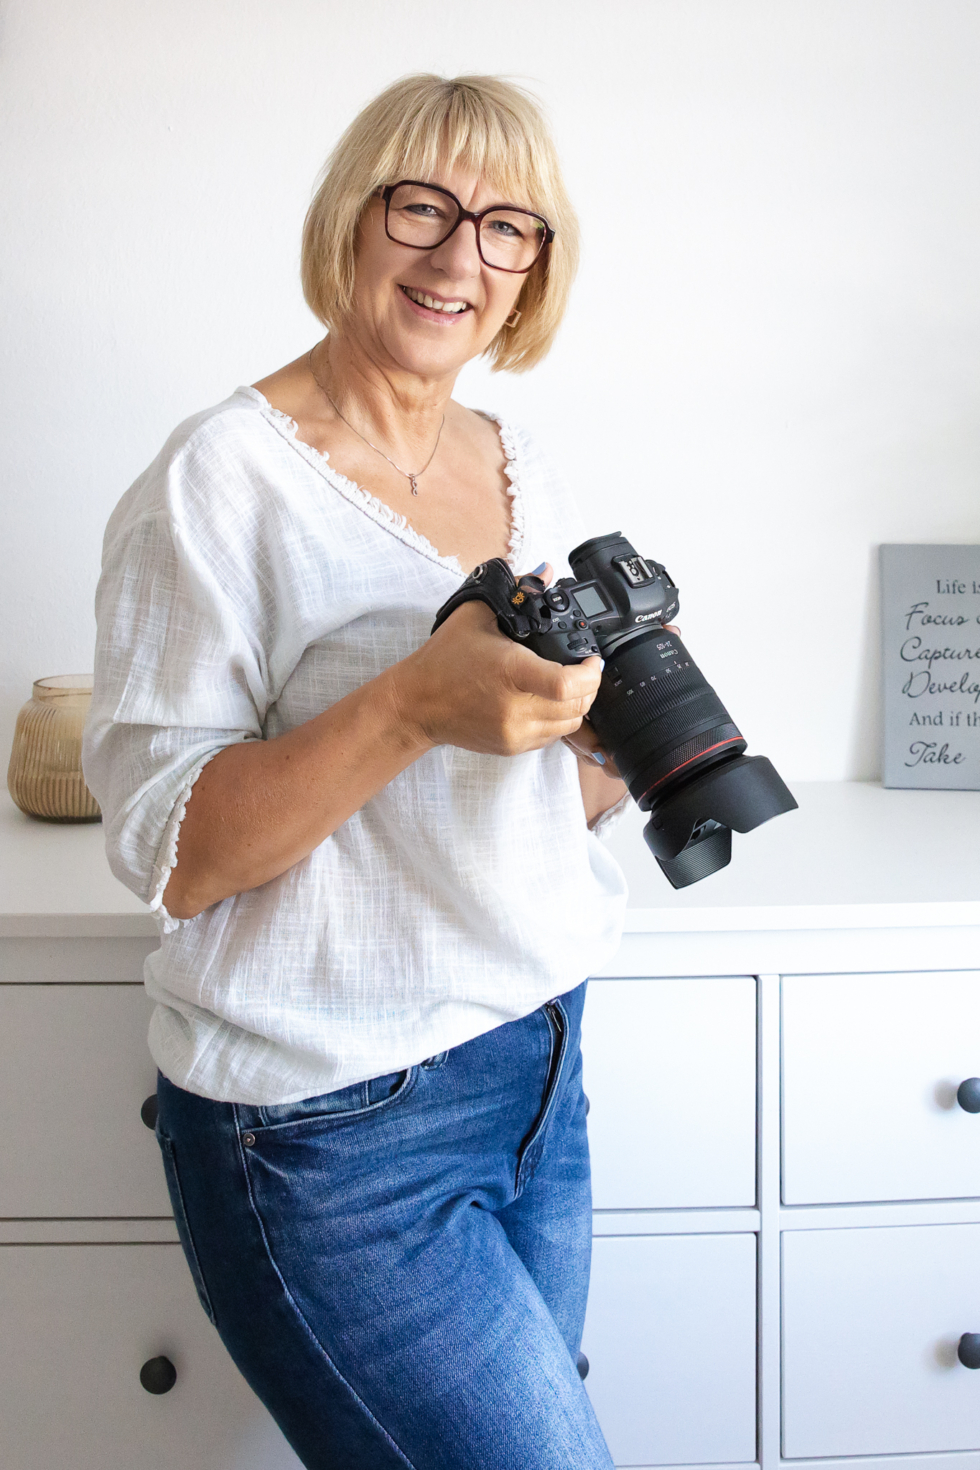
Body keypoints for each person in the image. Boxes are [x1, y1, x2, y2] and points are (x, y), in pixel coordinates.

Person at [83, 73, 630, 1470]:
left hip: (534, 1067)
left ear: (535, 269)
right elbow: (176, 850)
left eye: (508, 227)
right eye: (423, 208)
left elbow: (519, 808)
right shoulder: (217, 482)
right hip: (330, 1130)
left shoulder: (516, 465)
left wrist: (617, 746)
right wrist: (409, 706)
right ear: (354, 218)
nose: (460, 258)